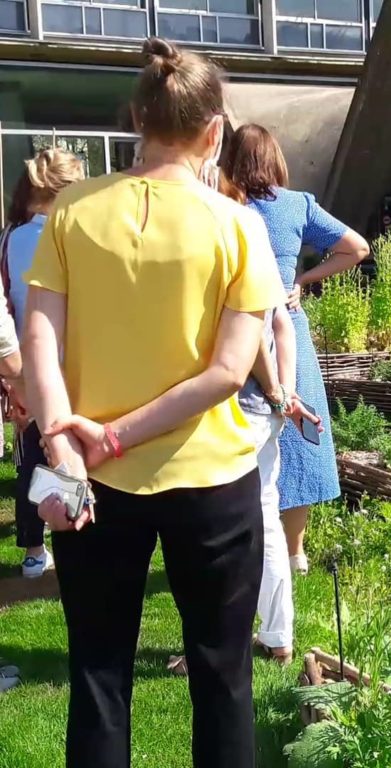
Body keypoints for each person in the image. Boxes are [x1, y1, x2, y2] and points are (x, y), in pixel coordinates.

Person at [24, 37, 285, 768]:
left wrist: (69, 441)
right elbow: (231, 373)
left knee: (99, 674)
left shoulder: (72, 210)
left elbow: (40, 338)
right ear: (214, 131)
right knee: (222, 678)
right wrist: (110, 437)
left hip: (89, 478)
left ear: (137, 117)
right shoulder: (240, 227)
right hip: (211, 480)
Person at [166, 174, 322, 675]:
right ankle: (278, 636)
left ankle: (213, 644)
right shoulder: (254, 235)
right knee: (265, 516)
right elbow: (281, 322)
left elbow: (251, 331)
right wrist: (287, 388)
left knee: (215, 527)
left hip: (238, 405)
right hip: (265, 404)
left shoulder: (222, 238)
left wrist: (276, 389)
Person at [221, 124, 369, 575]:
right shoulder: (297, 205)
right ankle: (293, 551)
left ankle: (239, 543)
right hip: (289, 332)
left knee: (233, 435)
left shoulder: (224, 205)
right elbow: (357, 248)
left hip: (231, 329)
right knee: (298, 440)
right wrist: (302, 281)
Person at [1, 148, 84, 578]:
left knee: (32, 453)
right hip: (74, 360)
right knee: (71, 448)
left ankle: (34, 549)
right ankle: (78, 523)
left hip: (25, 365)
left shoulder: (9, 237)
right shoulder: (74, 234)